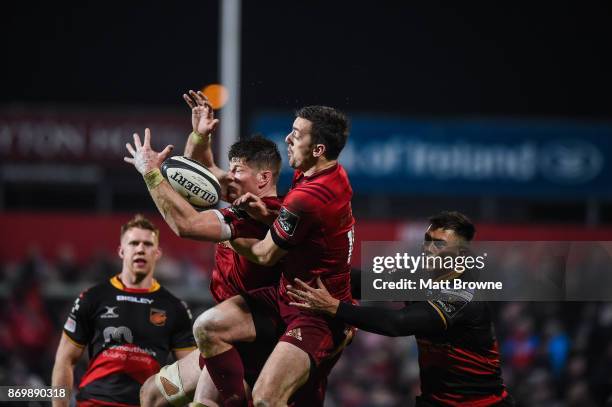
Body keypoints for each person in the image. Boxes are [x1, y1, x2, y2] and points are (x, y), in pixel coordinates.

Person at [185, 105, 355, 407]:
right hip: (282, 298)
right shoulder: (323, 172)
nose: (287, 138)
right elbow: (200, 172)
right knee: (201, 335)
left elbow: (263, 254)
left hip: (312, 312)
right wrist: (266, 215)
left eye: (296, 134)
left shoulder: (306, 197)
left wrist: (228, 233)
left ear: (318, 148)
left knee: (266, 399)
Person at [127, 91, 286, 406]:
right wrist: (200, 135)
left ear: (264, 178)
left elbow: (187, 225)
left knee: (206, 403)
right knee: (152, 394)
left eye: (237, 170)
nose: (228, 176)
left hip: (248, 334)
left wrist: (151, 174)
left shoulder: (262, 215)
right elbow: (200, 170)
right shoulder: (244, 198)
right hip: (221, 333)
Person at [287, 211, 515, 406]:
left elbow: (399, 323)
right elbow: (364, 283)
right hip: (436, 401)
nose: (428, 249)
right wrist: (313, 267)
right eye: (427, 240)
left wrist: (336, 308)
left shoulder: (464, 295)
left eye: (439, 244)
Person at [51, 215, 196, 407]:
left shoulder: (175, 308)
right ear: (121, 251)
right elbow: (64, 360)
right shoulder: (92, 298)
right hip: (94, 401)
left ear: (157, 253)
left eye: (147, 244)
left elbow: (191, 373)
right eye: (134, 243)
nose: (140, 249)